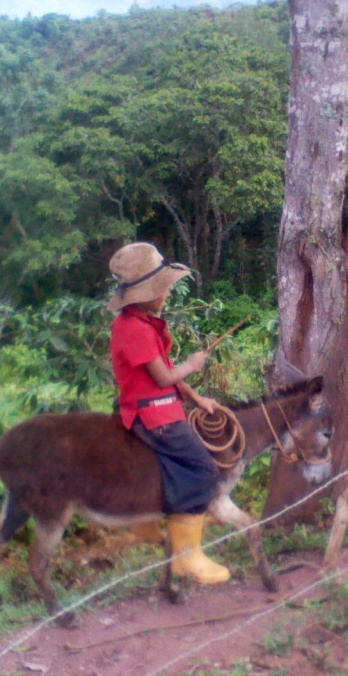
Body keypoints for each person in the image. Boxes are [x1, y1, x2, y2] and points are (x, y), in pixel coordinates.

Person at [107, 241, 230, 585]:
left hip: (165, 406)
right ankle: (187, 558)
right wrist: (192, 366)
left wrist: (196, 399)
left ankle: (160, 530)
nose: (166, 295)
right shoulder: (133, 329)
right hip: (152, 415)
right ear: (142, 295)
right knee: (204, 471)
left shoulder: (143, 322)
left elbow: (165, 371)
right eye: (162, 290)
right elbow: (164, 377)